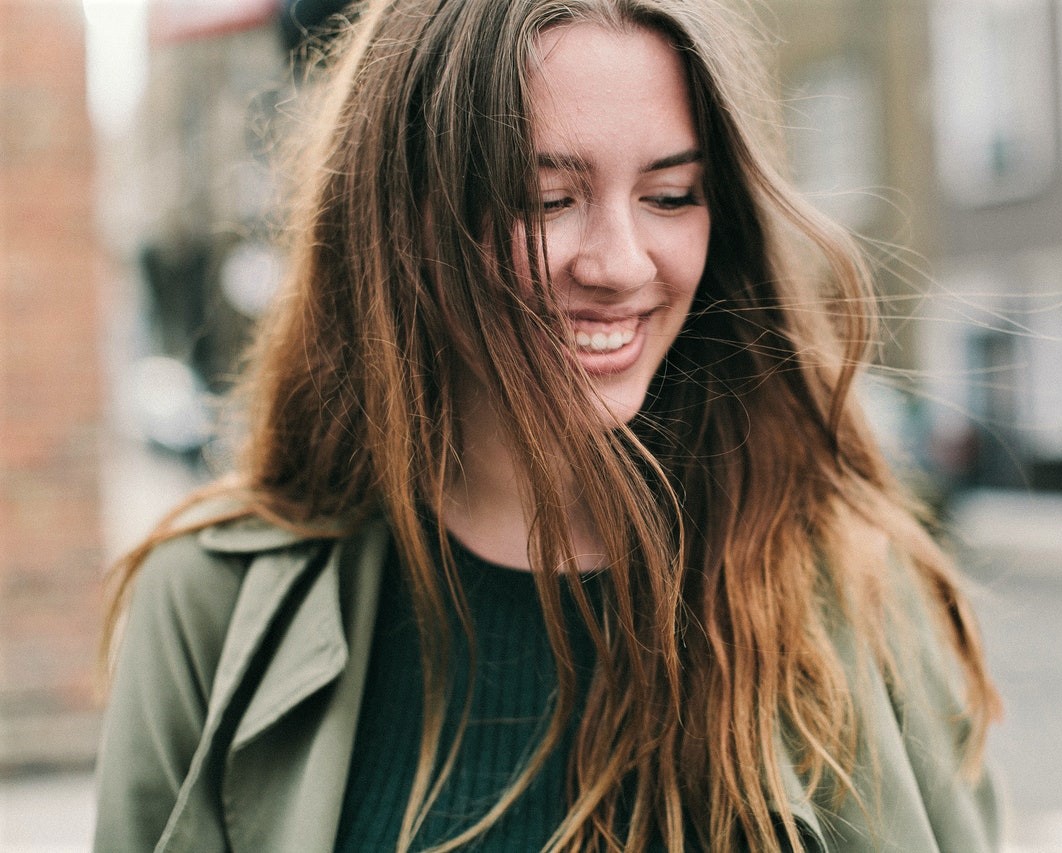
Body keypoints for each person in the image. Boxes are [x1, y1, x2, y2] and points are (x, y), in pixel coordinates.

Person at [94, 0, 1003, 850]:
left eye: (671, 194)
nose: (618, 261)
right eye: (545, 199)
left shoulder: (858, 589)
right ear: (401, 220)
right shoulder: (208, 611)